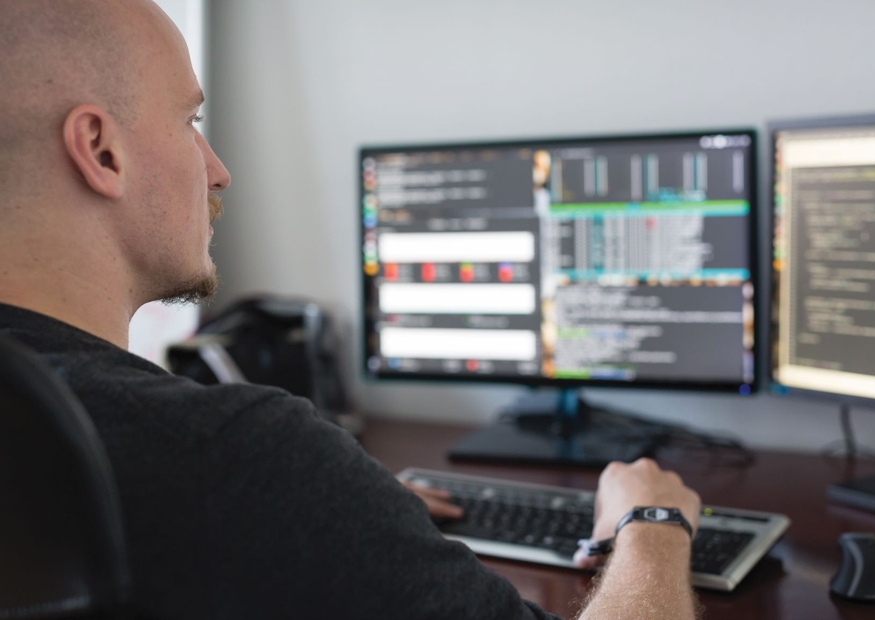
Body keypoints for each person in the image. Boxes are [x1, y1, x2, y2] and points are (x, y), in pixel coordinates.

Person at [0, 1, 702, 618]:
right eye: (189, 121)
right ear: (101, 150)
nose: (217, 170)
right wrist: (651, 523)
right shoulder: (231, 455)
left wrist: (334, 514)